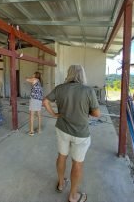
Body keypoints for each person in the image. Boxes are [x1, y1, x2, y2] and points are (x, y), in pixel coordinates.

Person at [43, 65, 100, 202]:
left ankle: (61, 184)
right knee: (77, 163)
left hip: (62, 129)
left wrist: (54, 114)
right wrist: (87, 111)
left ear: (69, 74)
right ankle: (73, 196)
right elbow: (97, 114)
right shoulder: (88, 90)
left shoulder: (60, 88)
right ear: (82, 75)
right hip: (80, 133)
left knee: (62, 156)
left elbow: (45, 101)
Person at [26, 71, 43, 136]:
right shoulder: (39, 81)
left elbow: (27, 79)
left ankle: (31, 131)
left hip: (34, 100)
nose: (32, 74)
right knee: (39, 115)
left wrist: (28, 77)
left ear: (35, 75)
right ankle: (39, 129)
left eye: (33, 74)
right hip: (39, 100)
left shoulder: (35, 79)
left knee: (32, 115)